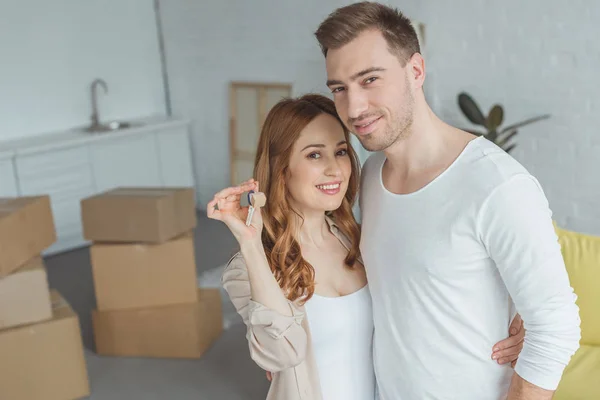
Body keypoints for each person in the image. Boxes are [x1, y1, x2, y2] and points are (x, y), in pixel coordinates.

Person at [314, 2, 581, 399]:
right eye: (339, 88)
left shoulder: (496, 184)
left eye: (369, 79)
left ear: (416, 71)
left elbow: (555, 327)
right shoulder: (369, 175)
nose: (353, 107)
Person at [208, 94, 524, 400]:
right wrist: (250, 244)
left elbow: (428, 287)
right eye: (314, 154)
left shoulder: (358, 239)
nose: (335, 169)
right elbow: (279, 355)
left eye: (341, 151)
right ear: (281, 168)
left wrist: (515, 318)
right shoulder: (247, 268)